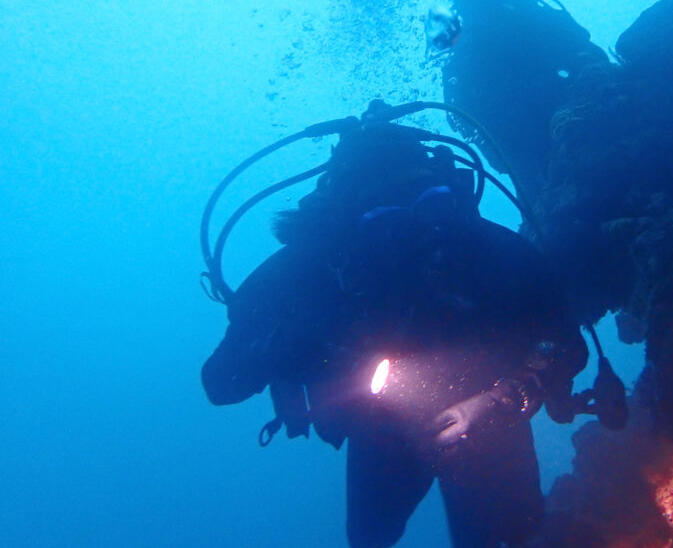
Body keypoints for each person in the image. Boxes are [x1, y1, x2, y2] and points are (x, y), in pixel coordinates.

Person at [201, 112, 590, 548]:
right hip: (380, 431)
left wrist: (504, 398)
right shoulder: (311, 268)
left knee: (519, 532)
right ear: (346, 224)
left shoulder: (485, 249)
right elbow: (220, 382)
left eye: (431, 202)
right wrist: (281, 347)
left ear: (450, 192)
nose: (419, 229)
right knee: (371, 537)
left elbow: (566, 342)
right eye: (387, 219)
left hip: (490, 417)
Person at [439, 0, 608, 202]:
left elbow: (591, 57)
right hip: (530, 154)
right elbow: (463, 118)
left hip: (583, 127)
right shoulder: (464, 55)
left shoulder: (534, 19)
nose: (486, 4)